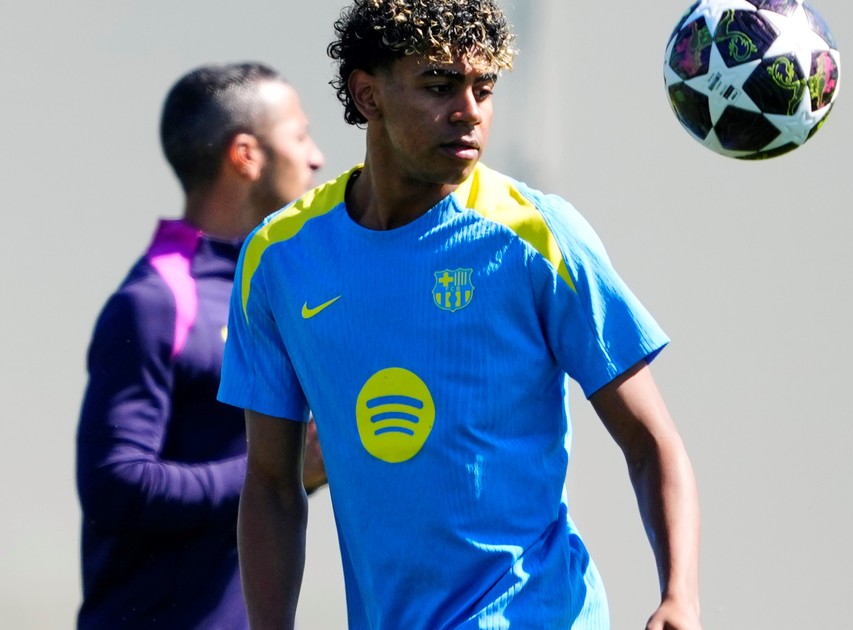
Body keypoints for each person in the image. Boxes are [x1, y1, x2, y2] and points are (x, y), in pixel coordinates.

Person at [219, 1, 702, 628]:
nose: (469, 111)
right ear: (367, 95)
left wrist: (680, 596)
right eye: (439, 86)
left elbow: (650, 440)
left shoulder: (539, 237)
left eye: (484, 88)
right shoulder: (279, 258)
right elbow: (272, 485)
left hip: (538, 611)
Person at [75, 62, 327, 629]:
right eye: (300, 136)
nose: (316, 158)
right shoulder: (157, 300)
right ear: (246, 155)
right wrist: (280, 471)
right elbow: (115, 485)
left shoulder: (268, 287)